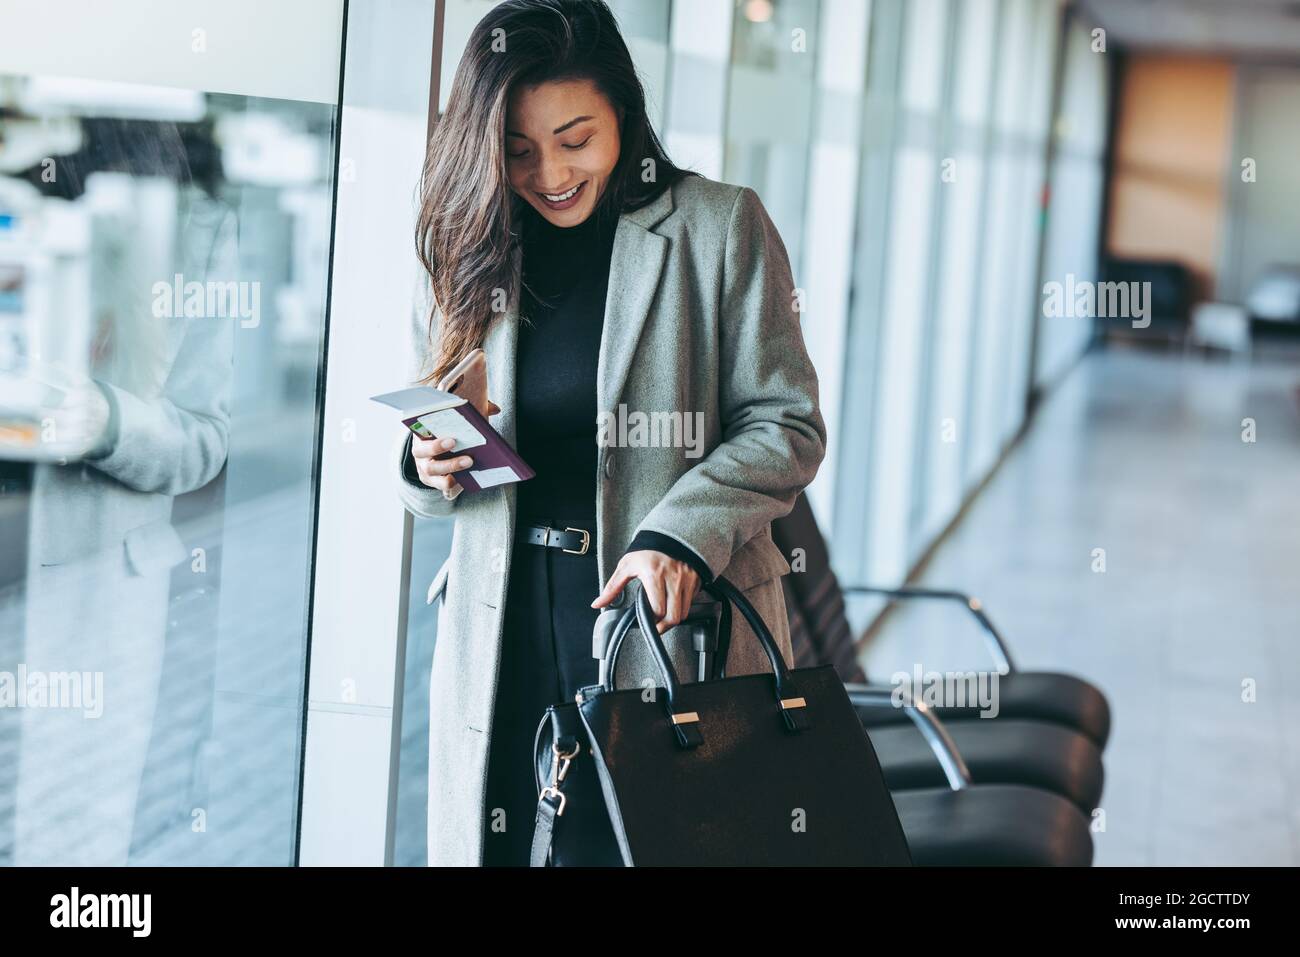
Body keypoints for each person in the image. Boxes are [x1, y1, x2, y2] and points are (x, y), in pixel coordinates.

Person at [395, 0, 826, 866]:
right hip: (505, 625)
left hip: (665, 625)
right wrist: (429, 459)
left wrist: (681, 533)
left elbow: (787, 424)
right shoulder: (466, 241)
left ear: (624, 114)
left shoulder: (718, 227)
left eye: (575, 138)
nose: (548, 171)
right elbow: (431, 455)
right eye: (516, 150)